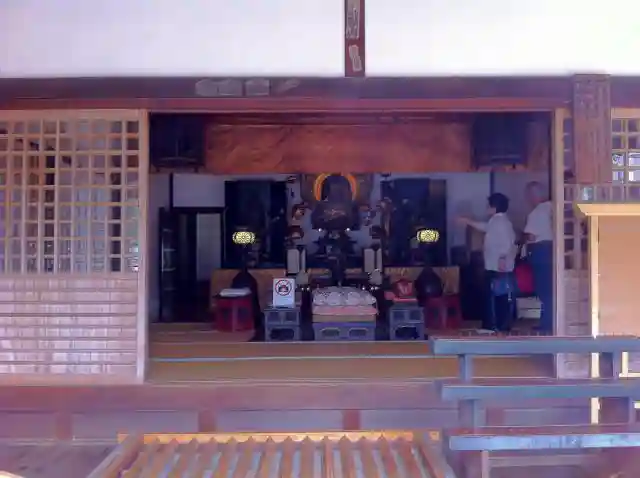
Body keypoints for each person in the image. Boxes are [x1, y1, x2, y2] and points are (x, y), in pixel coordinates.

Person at [457, 193, 516, 332]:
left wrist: (502, 258)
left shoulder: (500, 222)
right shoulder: (497, 221)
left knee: (496, 296)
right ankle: (495, 325)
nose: (486, 208)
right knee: (497, 295)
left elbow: (507, 243)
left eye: (488, 206)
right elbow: (485, 227)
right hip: (496, 265)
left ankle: (495, 325)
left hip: (498, 266)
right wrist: (468, 221)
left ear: (494, 207)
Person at [524, 181, 553, 334]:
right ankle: (550, 320)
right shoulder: (553, 207)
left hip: (541, 251)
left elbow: (531, 236)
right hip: (553, 250)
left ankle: (547, 322)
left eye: (528, 195)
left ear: (533, 195)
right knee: (551, 288)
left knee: (543, 289)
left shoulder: (537, 212)